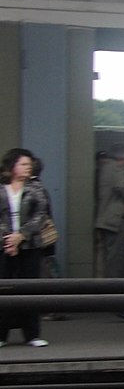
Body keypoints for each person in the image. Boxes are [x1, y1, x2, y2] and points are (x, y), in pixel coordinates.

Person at [0, 148, 51, 348]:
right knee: (4, 288)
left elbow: (41, 215)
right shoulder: (1, 187)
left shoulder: (36, 187)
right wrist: (9, 239)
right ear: (12, 166)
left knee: (30, 288)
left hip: (30, 245)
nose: (27, 168)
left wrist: (21, 236)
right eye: (23, 164)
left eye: (29, 164)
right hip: (4, 245)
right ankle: (2, 334)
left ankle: (32, 334)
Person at [94, 143, 124, 281]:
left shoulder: (103, 168)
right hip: (114, 219)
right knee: (115, 258)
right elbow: (122, 188)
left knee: (118, 255)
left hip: (104, 219)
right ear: (122, 157)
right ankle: (113, 288)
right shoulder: (116, 168)